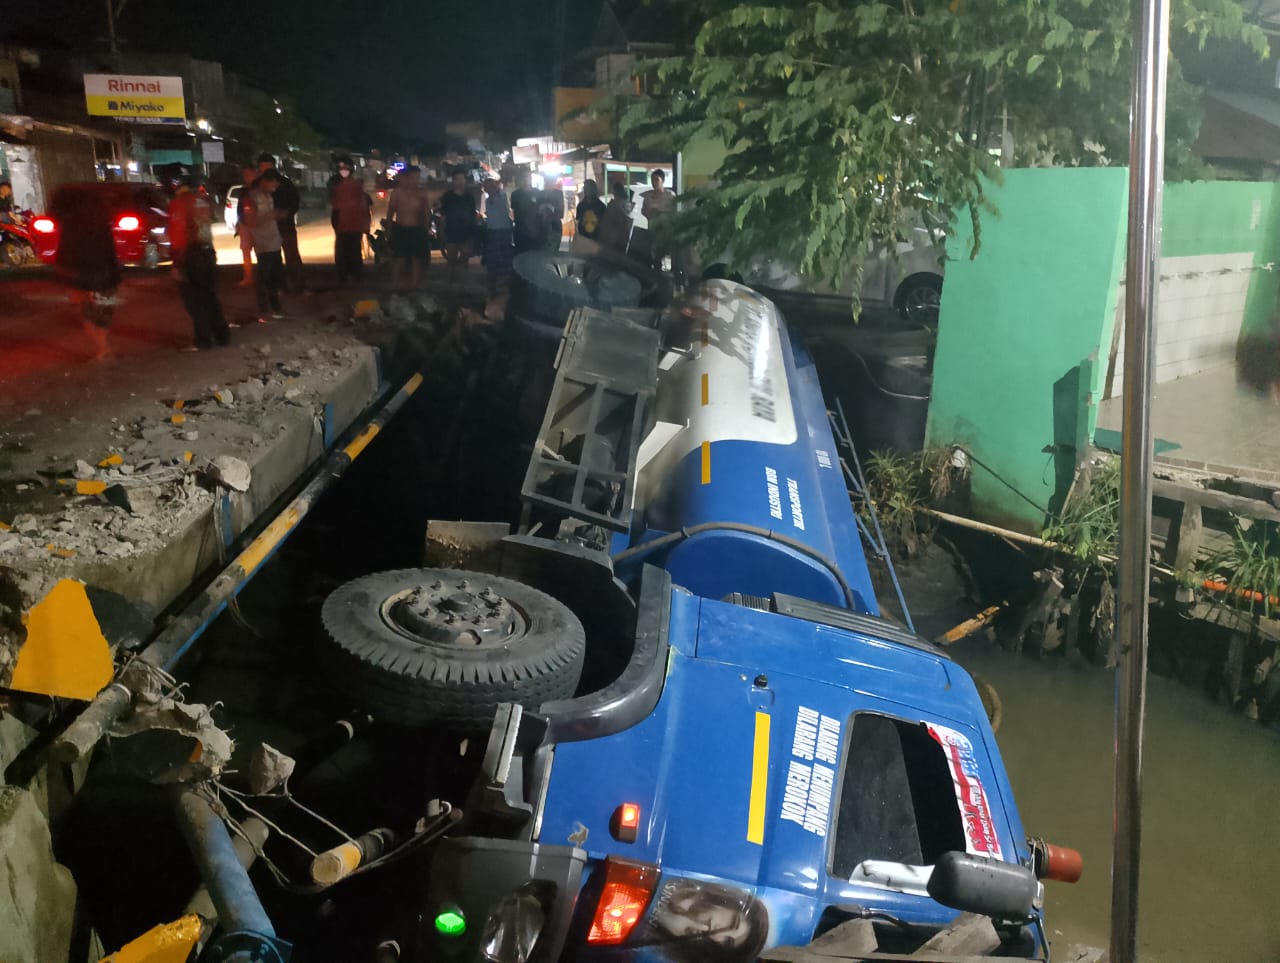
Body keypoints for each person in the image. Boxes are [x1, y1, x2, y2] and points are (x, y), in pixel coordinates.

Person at [640, 878, 769, 963]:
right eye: (733, 923)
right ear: (730, 901)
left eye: (727, 941)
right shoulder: (684, 875)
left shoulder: (663, 947)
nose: (719, 935)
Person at [169, 175, 231, 351]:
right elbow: (210, 222)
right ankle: (222, 335)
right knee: (210, 296)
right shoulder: (203, 200)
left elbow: (179, 233)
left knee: (195, 301)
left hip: (191, 255)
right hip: (207, 251)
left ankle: (202, 341)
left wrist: (176, 263)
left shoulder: (179, 203)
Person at [244, 169, 287, 322]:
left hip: (274, 242)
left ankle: (276, 308)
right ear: (264, 182)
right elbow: (251, 221)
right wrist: (272, 215)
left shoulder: (268, 196)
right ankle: (264, 310)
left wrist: (279, 214)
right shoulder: (251, 198)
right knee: (263, 279)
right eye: (272, 186)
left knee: (274, 278)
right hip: (263, 244)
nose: (273, 189)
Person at [257, 153, 303, 291]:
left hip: (285, 224)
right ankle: (277, 286)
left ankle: (298, 284)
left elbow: (295, 201)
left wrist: (287, 213)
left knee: (291, 255)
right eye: (263, 167)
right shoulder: (258, 185)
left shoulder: (285, 183)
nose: (265, 170)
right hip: (266, 227)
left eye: (268, 166)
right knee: (271, 258)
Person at [385, 165, 432, 291]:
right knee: (399, 260)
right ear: (406, 178)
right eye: (413, 177)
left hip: (417, 230)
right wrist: (388, 230)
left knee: (416, 260)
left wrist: (426, 230)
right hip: (401, 229)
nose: (415, 181)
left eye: (417, 178)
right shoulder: (397, 193)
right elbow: (390, 212)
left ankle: (413, 288)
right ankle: (394, 287)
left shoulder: (422, 193)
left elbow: (427, 213)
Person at [331, 159, 371, 283]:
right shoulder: (353, 186)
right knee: (353, 251)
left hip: (346, 224)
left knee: (344, 252)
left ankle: (346, 277)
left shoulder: (340, 186)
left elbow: (335, 207)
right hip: (351, 225)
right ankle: (354, 276)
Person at [440, 171, 477, 284]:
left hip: (466, 232)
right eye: (457, 179)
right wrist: (442, 233)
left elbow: (473, 215)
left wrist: (473, 233)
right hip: (451, 232)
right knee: (451, 260)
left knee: (464, 260)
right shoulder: (447, 197)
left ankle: (463, 283)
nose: (460, 182)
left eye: (462, 179)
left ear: (465, 180)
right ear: (453, 181)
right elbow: (443, 216)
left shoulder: (469, 197)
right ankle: (449, 283)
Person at [481, 177, 513, 296]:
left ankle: (504, 288)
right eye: (486, 186)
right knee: (492, 261)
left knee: (504, 262)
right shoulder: (487, 201)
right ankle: (493, 287)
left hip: (503, 233)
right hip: (492, 233)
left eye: (491, 185)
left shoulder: (502, 196)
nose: (488, 188)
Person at [641, 169, 677, 269]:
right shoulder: (647, 196)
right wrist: (649, 213)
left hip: (667, 231)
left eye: (657, 180)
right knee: (654, 254)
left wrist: (660, 213)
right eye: (652, 180)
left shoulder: (670, 195)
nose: (654, 183)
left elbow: (675, 212)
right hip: (653, 229)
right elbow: (643, 210)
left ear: (663, 181)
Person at [234, 165, 257, 286]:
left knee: (261, 251)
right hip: (245, 224)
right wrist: (239, 222)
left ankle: (263, 278)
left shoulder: (260, 188)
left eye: (248, 174)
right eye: (245, 175)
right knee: (245, 251)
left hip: (258, 224)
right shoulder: (243, 190)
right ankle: (248, 277)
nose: (246, 177)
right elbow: (240, 208)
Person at [510, 169, 541, 255]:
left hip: (535, 232)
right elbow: (514, 211)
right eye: (523, 177)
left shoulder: (538, 193)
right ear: (520, 179)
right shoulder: (515, 194)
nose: (526, 179)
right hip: (520, 232)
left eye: (528, 177)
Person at [599, 181, 633, 253]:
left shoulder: (616, 203)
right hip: (623, 235)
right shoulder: (627, 202)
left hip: (614, 235)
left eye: (613, 191)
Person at [538, 179, 565, 252]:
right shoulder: (540, 194)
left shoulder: (558, 194)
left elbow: (561, 212)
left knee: (552, 249)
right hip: (544, 227)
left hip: (553, 226)